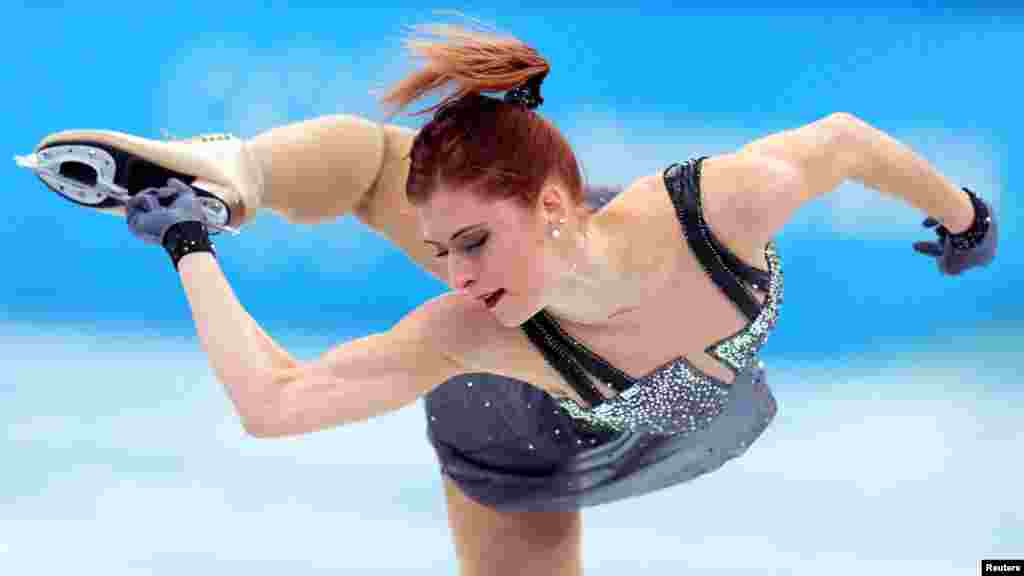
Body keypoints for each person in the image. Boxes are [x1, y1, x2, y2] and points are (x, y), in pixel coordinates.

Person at [30, 23, 998, 576]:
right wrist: (188, 242)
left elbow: (845, 137)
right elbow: (273, 405)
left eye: (475, 244)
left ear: (551, 205)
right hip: (517, 442)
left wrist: (963, 217)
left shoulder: (719, 206)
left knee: (441, 197)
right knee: (382, 166)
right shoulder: (472, 332)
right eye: (442, 251)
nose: (453, 272)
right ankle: (227, 170)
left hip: (695, 391)